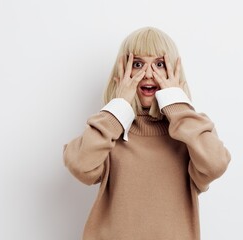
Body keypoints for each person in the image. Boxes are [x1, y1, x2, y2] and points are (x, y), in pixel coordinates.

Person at [63, 26, 231, 240]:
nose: (149, 74)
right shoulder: (111, 131)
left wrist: (177, 105)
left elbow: (216, 164)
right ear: (122, 72)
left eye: (160, 64)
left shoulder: (191, 132)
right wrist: (119, 106)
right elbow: (79, 164)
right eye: (138, 64)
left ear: (175, 73)